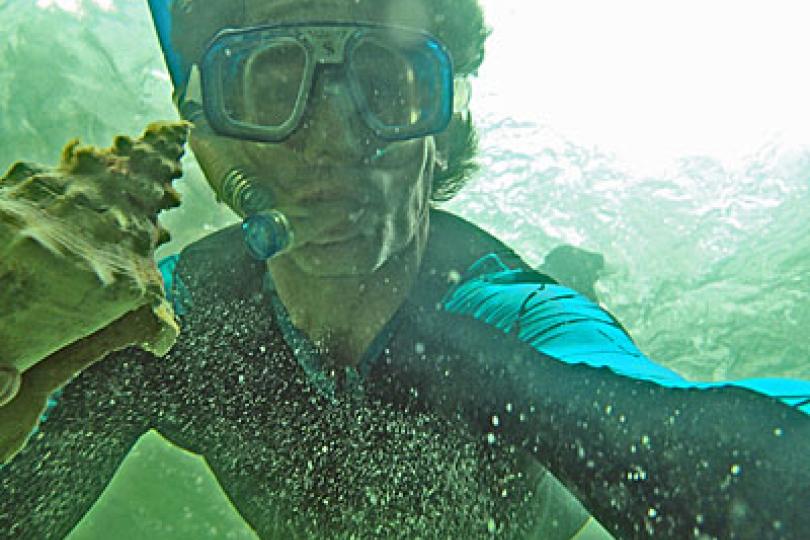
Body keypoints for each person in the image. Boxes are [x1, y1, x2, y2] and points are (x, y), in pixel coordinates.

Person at [1, 0, 809, 538]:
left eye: (387, 85)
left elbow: (688, 431)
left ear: (445, 128)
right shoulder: (163, 324)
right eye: (271, 82)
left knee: (570, 287)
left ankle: (578, 263)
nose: (330, 138)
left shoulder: (516, 321)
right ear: (215, 139)